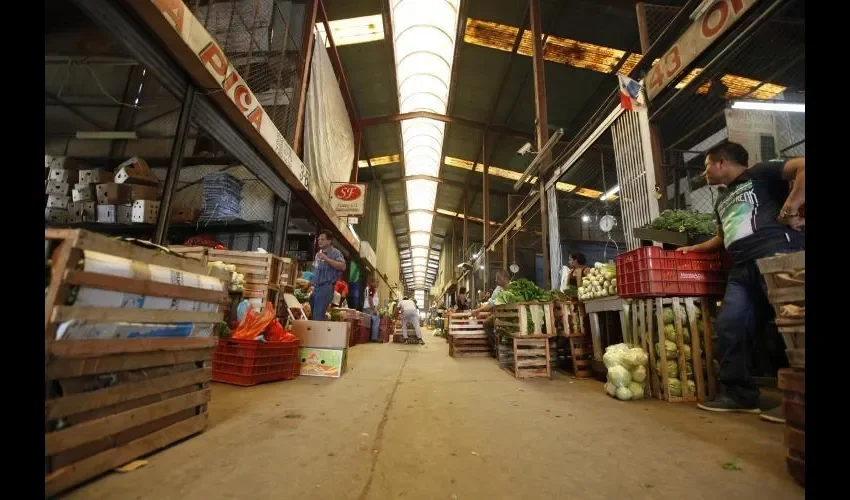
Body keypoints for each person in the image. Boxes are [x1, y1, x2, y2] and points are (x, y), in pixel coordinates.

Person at [677, 142, 804, 422]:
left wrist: (791, 206)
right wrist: (696, 249)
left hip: (777, 256)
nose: (705, 172)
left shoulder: (760, 173)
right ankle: (740, 395)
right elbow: (722, 238)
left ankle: (799, 403)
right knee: (730, 324)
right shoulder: (721, 199)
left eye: (707, 165)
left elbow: (803, 166)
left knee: (795, 328)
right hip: (742, 268)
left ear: (721, 162)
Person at [309, 230, 346, 321]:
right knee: (313, 315)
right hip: (316, 288)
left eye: (323, 239)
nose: (320, 241)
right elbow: (315, 270)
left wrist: (326, 259)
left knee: (318, 317)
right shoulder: (318, 254)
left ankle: (318, 335)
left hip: (326, 287)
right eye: (318, 239)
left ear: (329, 241)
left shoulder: (335, 253)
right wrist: (311, 284)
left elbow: (343, 266)